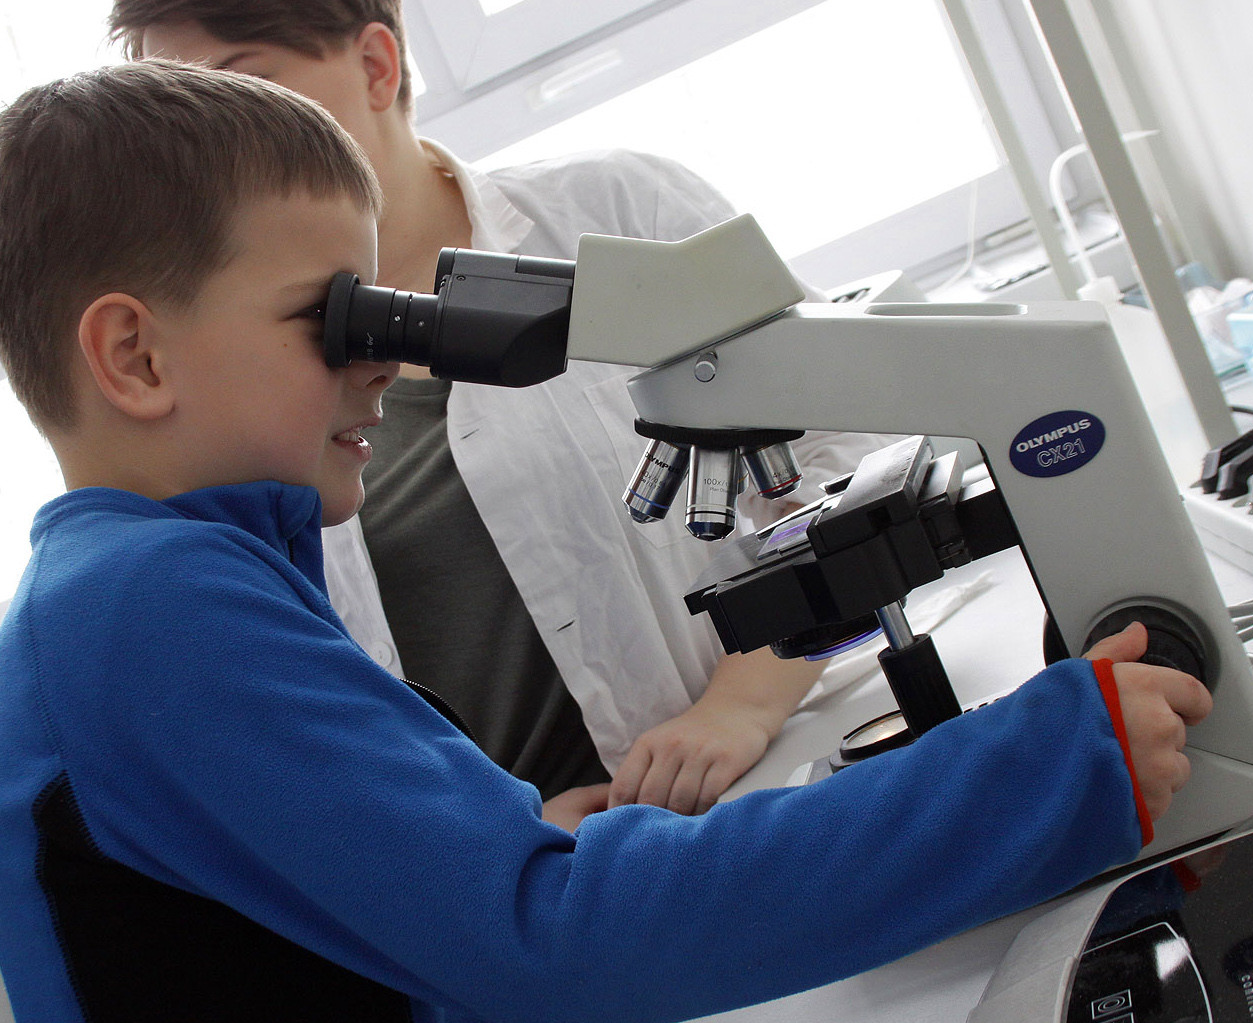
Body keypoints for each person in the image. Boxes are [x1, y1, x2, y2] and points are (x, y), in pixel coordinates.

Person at [0, 62, 1208, 1023]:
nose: (382, 361)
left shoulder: (155, 587)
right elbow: (554, 941)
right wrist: (1048, 767)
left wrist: (498, 832)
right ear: (135, 357)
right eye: (333, 319)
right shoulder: (150, 615)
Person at [109, 0, 900, 825]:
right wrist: (496, 846)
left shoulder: (614, 213)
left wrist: (743, 703)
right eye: (181, 124)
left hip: (767, 788)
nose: (211, 151)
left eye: (243, 88)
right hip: (524, 876)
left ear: (377, 66)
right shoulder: (230, 367)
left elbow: (852, 449)